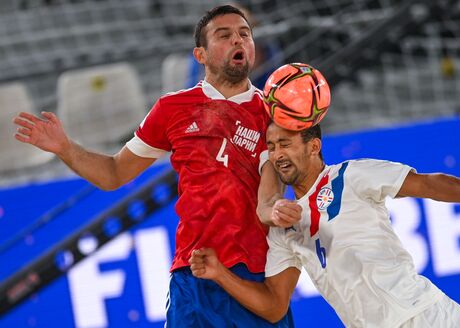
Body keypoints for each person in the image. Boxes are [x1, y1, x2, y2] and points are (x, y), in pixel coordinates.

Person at [12, 5, 298, 328]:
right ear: (200, 55)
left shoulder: (272, 115)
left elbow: (269, 194)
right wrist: (65, 148)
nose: (239, 41)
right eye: (225, 35)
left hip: (254, 273)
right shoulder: (172, 109)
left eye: (245, 34)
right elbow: (114, 173)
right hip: (194, 277)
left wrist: (276, 209)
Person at [189, 122, 460, 327]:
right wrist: (220, 273)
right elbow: (275, 305)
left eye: (286, 144)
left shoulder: (351, 175)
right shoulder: (283, 228)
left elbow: (427, 183)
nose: (278, 154)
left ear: (313, 147)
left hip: (423, 316)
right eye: (272, 146)